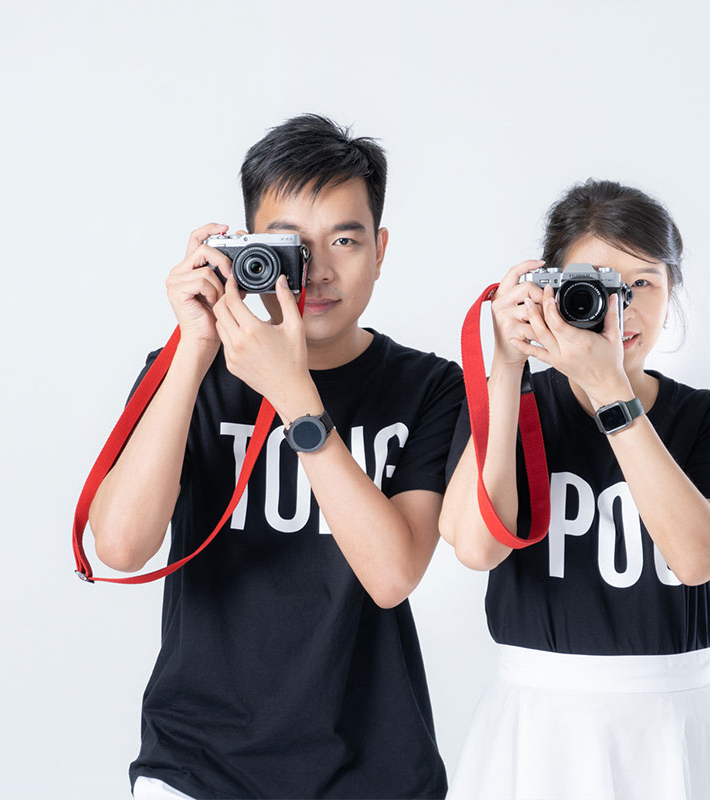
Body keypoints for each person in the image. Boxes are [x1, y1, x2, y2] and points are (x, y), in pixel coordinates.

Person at [88, 114, 461, 799]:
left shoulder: (430, 388)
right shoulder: (191, 370)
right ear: (245, 249)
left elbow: (391, 575)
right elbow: (119, 547)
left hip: (374, 770)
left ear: (379, 249)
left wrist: (293, 393)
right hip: (197, 764)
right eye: (289, 245)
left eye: (344, 240)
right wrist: (195, 346)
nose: (316, 272)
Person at [439, 179, 710, 799]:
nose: (621, 307)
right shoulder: (514, 402)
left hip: (669, 722)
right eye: (598, 284)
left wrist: (612, 390)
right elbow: (476, 547)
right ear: (551, 292)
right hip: (535, 723)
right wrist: (506, 364)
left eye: (644, 284)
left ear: (672, 293)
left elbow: (696, 559)